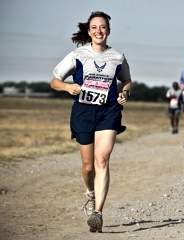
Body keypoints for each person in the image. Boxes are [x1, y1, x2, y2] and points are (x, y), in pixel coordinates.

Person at [50, 11, 131, 233]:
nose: (99, 31)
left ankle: (98, 213)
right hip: (83, 112)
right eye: (94, 27)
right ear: (89, 31)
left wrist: (125, 93)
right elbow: (54, 81)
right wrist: (67, 87)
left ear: (109, 30)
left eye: (103, 27)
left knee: (102, 160)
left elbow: (127, 81)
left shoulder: (117, 56)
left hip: (109, 112)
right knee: (88, 167)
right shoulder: (77, 54)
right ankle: (90, 193)